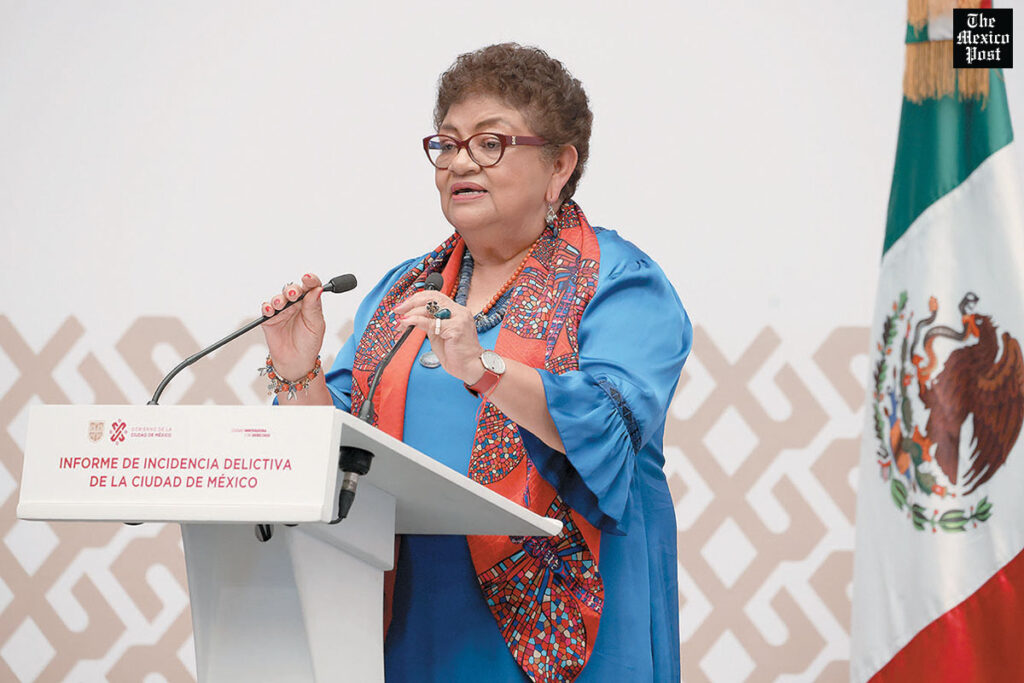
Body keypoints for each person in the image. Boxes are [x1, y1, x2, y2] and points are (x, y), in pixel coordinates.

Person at [259, 43, 692, 683]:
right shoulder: (406, 290)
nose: (460, 162)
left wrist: (482, 366)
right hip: (413, 616)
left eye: (490, 143)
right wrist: (299, 373)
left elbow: (608, 424)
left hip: (565, 624)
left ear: (559, 165)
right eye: (448, 143)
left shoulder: (620, 282)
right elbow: (334, 449)